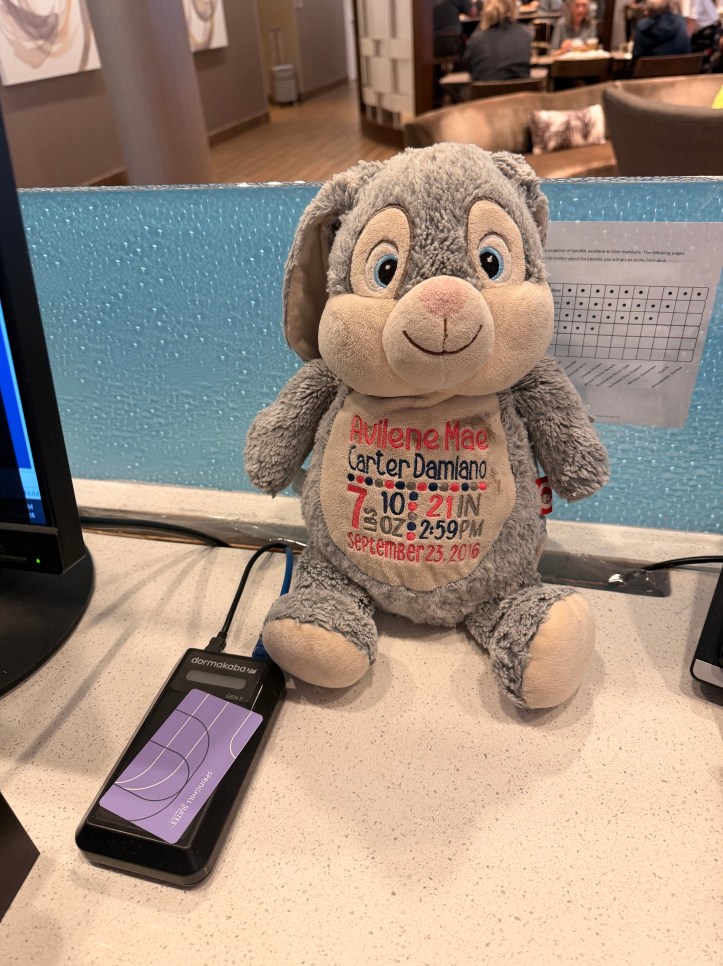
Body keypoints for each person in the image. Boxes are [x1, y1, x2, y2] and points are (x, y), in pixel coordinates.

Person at [463, 0, 532, 80]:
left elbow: (469, 67)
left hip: (486, 87)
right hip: (522, 87)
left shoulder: (475, 40)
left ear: (485, 10)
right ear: (513, 7)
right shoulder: (525, 34)